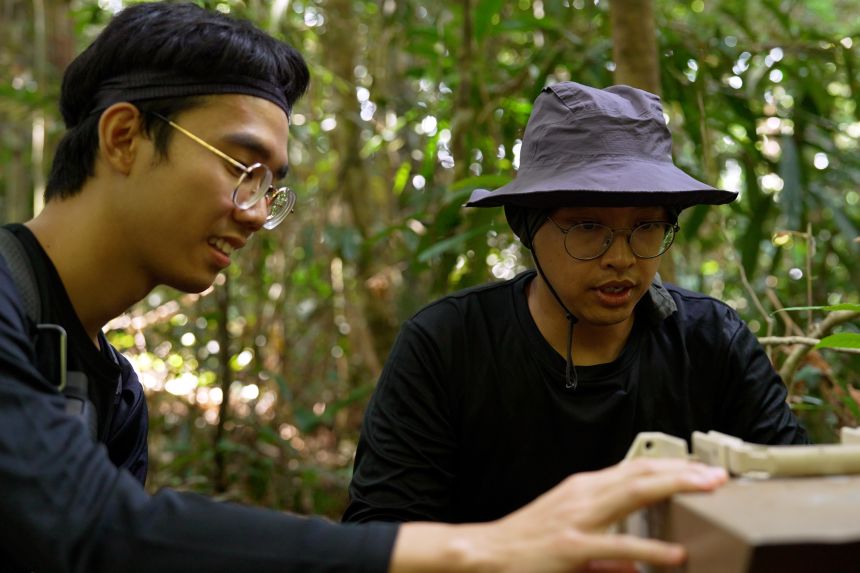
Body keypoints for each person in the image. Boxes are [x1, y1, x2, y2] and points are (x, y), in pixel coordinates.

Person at [0, 4, 729, 572]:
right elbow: (89, 527)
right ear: (123, 137)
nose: (254, 212)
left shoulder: (112, 390)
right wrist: (483, 550)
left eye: (272, 186)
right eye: (241, 166)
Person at [344, 81, 809, 526]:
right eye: (588, 227)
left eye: (647, 227)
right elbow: (384, 532)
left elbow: (799, 494)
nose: (621, 258)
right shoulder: (447, 346)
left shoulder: (712, 340)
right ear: (526, 224)